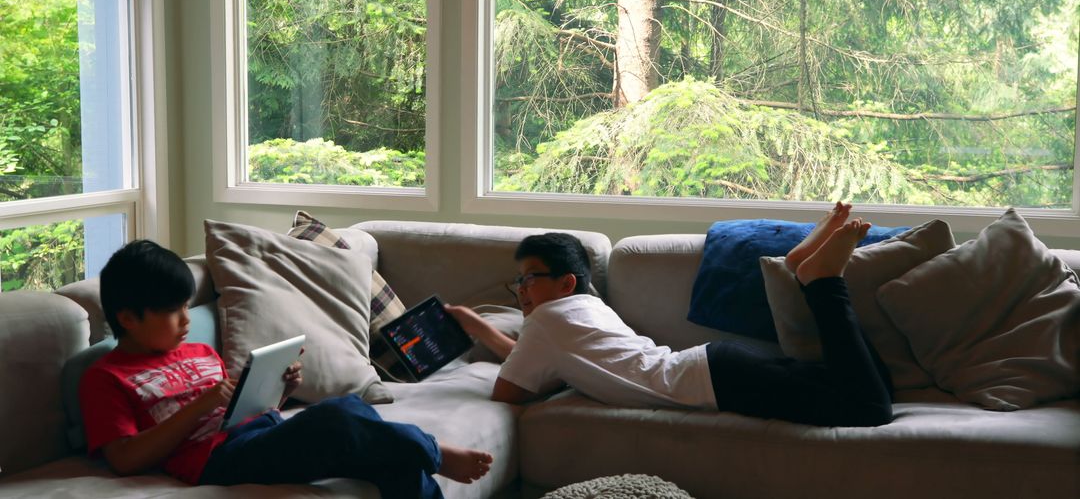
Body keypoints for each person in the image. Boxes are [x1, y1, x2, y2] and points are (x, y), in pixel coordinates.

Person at [80, 240, 493, 498]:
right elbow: (124, 459)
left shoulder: (200, 352)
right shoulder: (106, 378)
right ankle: (433, 452)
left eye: (187, 306)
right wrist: (201, 404)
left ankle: (418, 453)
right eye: (172, 311)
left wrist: (276, 392)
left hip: (265, 433)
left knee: (380, 447)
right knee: (339, 415)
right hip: (217, 460)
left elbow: (241, 410)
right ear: (128, 318)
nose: (186, 319)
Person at [445, 204, 894, 427]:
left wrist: (478, 331)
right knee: (878, 387)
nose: (521, 290)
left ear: (565, 284)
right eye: (518, 282)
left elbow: (509, 391)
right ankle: (799, 272)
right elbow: (536, 363)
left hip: (716, 380)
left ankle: (818, 281)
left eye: (529, 279)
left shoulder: (546, 324)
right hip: (717, 367)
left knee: (870, 409)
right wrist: (478, 324)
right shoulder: (586, 310)